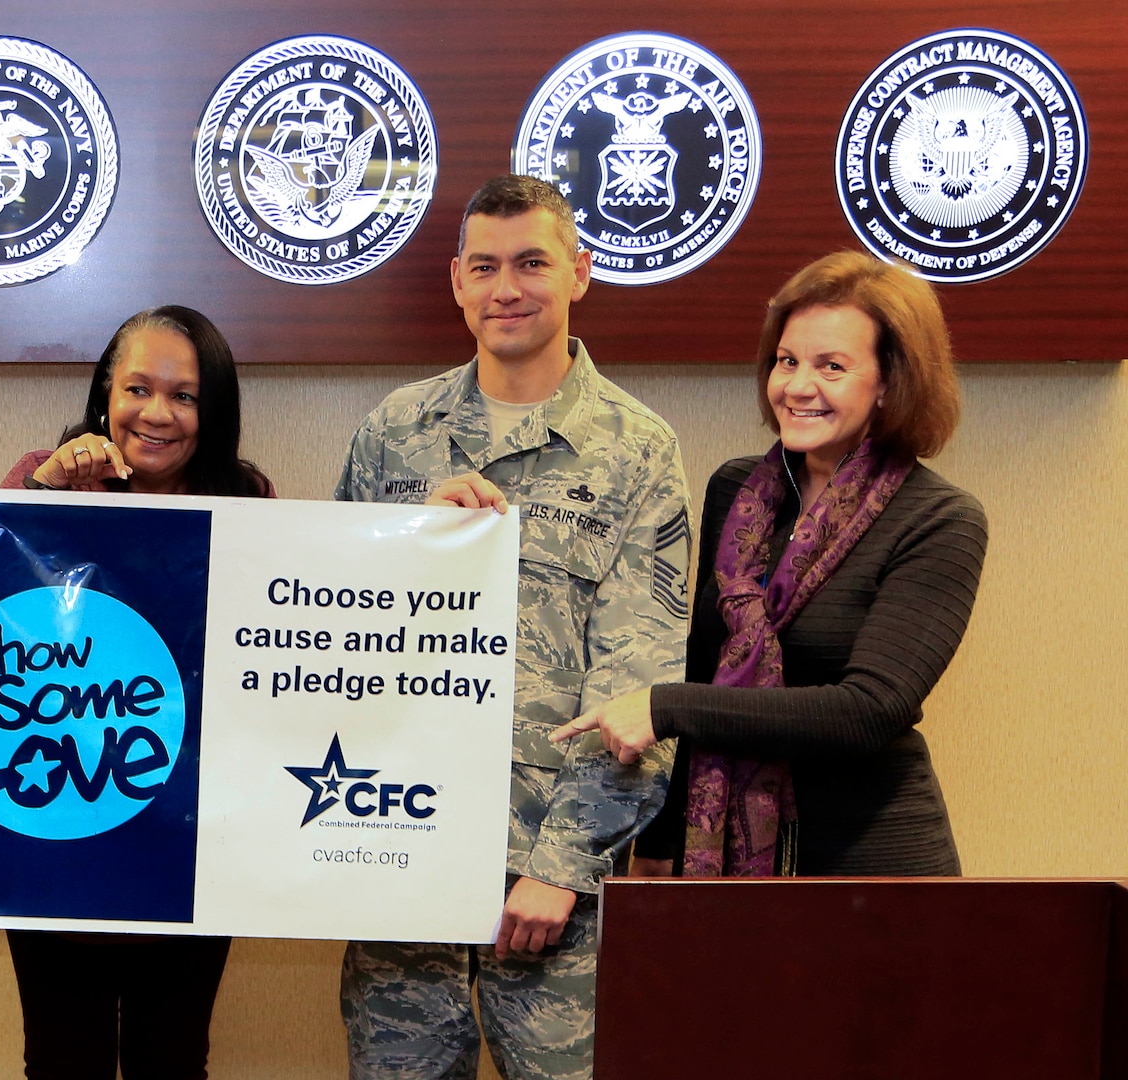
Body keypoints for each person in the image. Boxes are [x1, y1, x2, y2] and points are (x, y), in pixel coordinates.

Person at [333, 175, 690, 1080]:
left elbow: (636, 688)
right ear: (455, 280)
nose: (507, 289)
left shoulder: (638, 449)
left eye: (533, 263)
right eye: (485, 266)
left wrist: (562, 868)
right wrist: (416, 535)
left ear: (582, 272)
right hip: (398, 866)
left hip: (552, 895)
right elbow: (325, 633)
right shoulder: (394, 434)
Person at [556, 252, 985, 878]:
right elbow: (705, 665)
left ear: (892, 381)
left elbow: (867, 711)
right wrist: (655, 847)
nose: (797, 386)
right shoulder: (738, 492)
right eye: (787, 361)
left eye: (831, 366)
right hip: (721, 862)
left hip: (870, 866)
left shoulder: (940, 520)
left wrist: (667, 707)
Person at [1, 305, 270, 1080]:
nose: (157, 414)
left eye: (184, 396)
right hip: (59, 824)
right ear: (103, 396)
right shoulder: (39, 479)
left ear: (212, 409)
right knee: (61, 1059)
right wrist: (40, 493)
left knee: (175, 1059)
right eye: (137, 389)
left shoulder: (248, 500)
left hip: (189, 835)